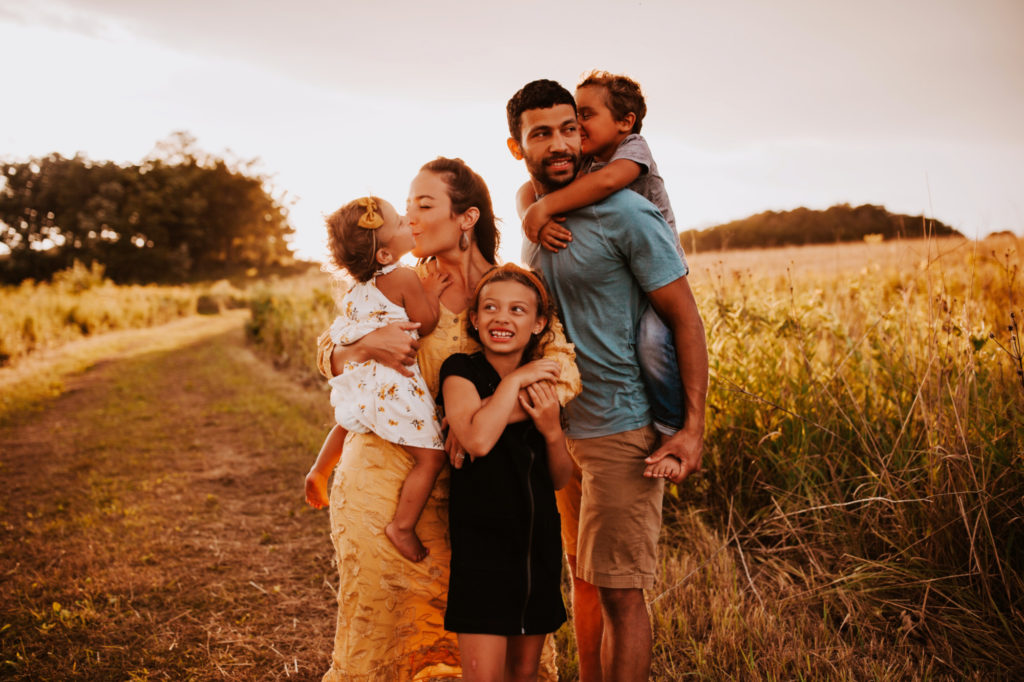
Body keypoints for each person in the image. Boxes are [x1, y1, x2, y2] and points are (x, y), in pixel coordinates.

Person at [313, 157, 580, 682]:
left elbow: (560, 366)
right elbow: (328, 354)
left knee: (479, 650)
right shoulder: (396, 284)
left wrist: (478, 418)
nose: (410, 217)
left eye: (424, 205)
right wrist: (366, 346)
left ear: (466, 218)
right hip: (382, 481)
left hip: (479, 497)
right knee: (383, 638)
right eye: (406, 206)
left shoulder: (509, 289)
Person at [506, 79, 709, 682]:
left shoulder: (627, 212)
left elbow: (685, 320)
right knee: (581, 577)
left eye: (571, 128)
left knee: (622, 593)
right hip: (560, 436)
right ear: (518, 147)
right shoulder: (536, 222)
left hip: (623, 432)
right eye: (542, 133)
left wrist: (692, 428)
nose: (562, 143)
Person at [516, 70, 686, 442]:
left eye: (584, 116)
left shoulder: (633, 150)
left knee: (653, 343)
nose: (577, 124)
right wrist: (533, 217)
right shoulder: (587, 162)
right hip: (581, 421)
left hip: (662, 264)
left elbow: (608, 184)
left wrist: (544, 209)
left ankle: (672, 424)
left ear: (625, 122)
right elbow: (524, 192)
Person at [440, 264, 574, 682]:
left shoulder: (545, 382)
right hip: (482, 550)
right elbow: (478, 440)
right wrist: (516, 379)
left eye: (518, 310)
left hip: (537, 547)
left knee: (524, 673)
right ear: (475, 319)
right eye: (491, 308)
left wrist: (552, 430)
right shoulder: (460, 371)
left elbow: (559, 479)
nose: (503, 317)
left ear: (538, 324)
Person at [304, 195, 450, 563]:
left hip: (362, 379)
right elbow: (425, 324)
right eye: (400, 222)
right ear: (384, 255)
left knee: (349, 420)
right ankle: (402, 526)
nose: (408, 220)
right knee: (431, 459)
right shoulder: (402, 277)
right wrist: (430, 292)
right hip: (393, 383)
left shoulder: (355, 291)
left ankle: (320, 470)